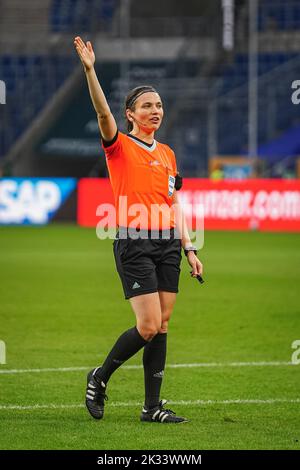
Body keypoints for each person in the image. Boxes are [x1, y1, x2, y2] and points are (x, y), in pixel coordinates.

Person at [74, 36, 203, 424]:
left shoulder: (167, 154)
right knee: (147, 325)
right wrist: (90, 71)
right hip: (134, 241)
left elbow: (174, 202)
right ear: (130, 113)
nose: (155, 110)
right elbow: (101, 115)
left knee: (162, 325)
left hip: (167, 243)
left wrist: (190, 248)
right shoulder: (119, 147)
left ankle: (151, 407)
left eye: (159, 105)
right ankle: (100, 376)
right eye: (147, 105)